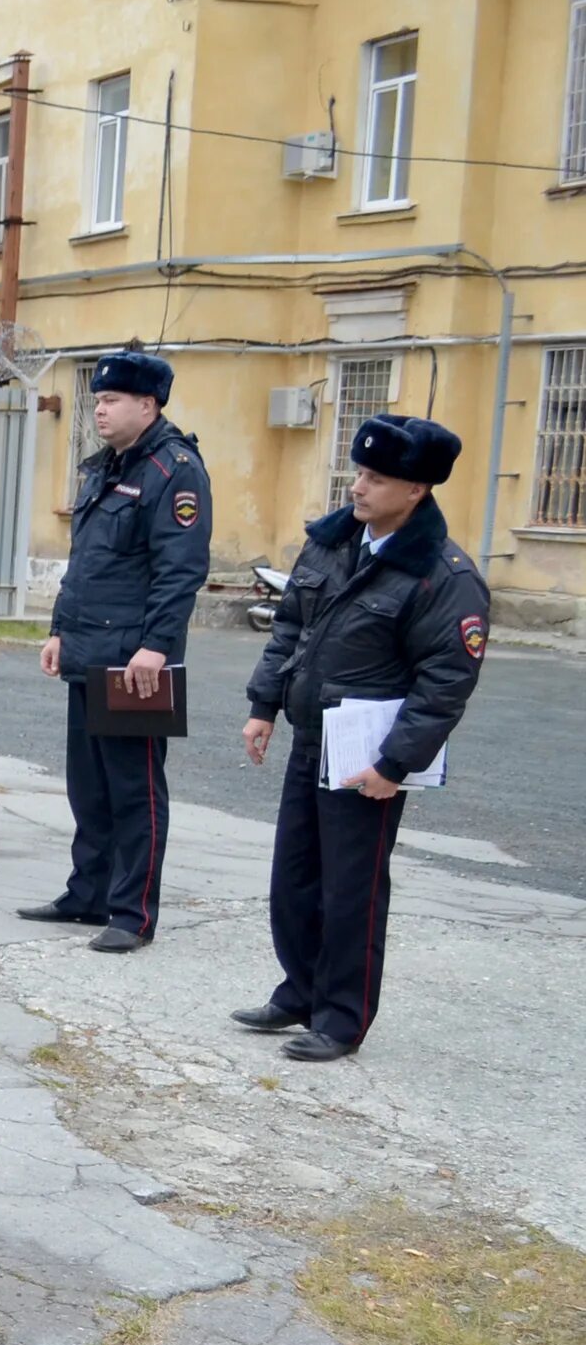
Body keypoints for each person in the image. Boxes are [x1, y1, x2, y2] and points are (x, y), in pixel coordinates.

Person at [237, 415, 486, 1061]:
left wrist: (393, 762)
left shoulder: (443, 575)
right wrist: (264, 703)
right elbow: (289, 628)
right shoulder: (331, 544)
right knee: (294, 875)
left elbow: (445, 682)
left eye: (378, 478)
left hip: (365, 751)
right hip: (311, 733)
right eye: (359, 472)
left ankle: (342, 1018)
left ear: (417, 491)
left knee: (352, 888)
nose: (359, 487)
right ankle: (300, 990)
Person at [22, 350, 208, 953]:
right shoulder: (104, 467)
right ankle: (89, 893)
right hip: (89, 648)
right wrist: (59, 631)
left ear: (148, 405)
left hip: (135, 659)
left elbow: (180, 572)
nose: (98, 410)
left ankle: (132, 913)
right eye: (96, 400)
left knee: (134, 790)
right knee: (89, 785)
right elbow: (88, 563)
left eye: (111, 401)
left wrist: (157, 648)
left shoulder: (173, 469)